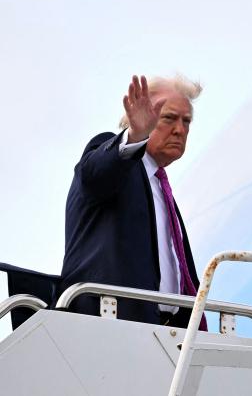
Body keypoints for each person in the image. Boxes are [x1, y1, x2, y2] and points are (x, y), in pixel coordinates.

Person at [60, 74, 207, 330]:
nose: (180, 129)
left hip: (166, 333)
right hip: (110, 325)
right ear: (140, 116)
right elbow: (96, 175)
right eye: (169, 118)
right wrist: (135, 136)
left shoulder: (161, 188)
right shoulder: (116, 161)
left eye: (186, 121)